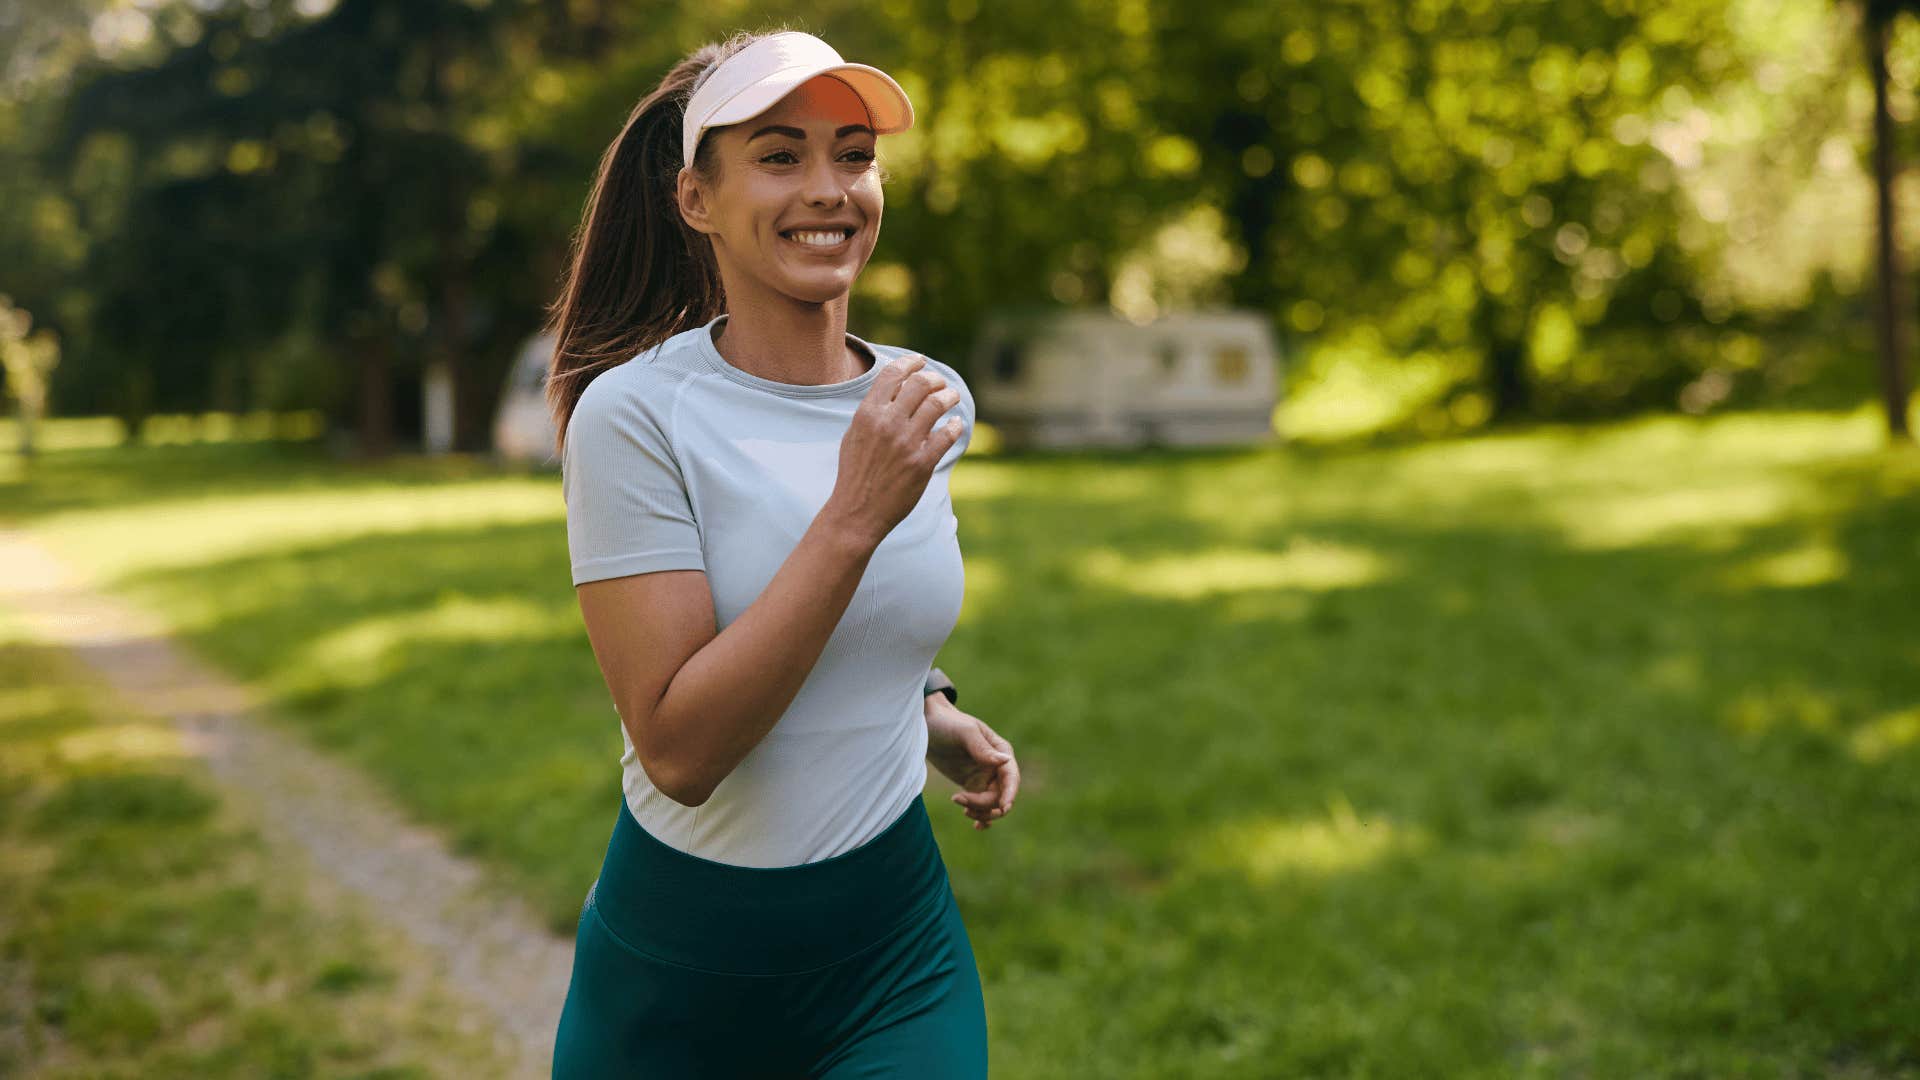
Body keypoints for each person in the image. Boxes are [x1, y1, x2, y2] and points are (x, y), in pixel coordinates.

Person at [543, 27, 1020, 1078]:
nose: (829, 188)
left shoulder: (925, 402)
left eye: (853, 154)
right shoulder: (635, 419)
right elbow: (680, 750)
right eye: (778, 155)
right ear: (694, 198)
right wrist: (853, 514)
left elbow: (873, 608)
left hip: (892, 955)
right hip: (681, 981)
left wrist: (924, 705)